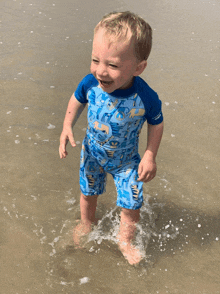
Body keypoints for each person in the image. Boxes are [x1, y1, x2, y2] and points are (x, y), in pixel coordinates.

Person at [59, 11, 164, 265]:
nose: (100, 71)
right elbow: (77, 99)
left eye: (112, 65)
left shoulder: (145, 96)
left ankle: (125, 240)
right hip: (93, 153)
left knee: (132, 205)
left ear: (138, 68)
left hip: (126, 161)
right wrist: (66, 125)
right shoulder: (91, 83)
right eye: (95, 60)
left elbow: (156, 123)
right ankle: (86, 224)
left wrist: (150, 155)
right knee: (87, 193)